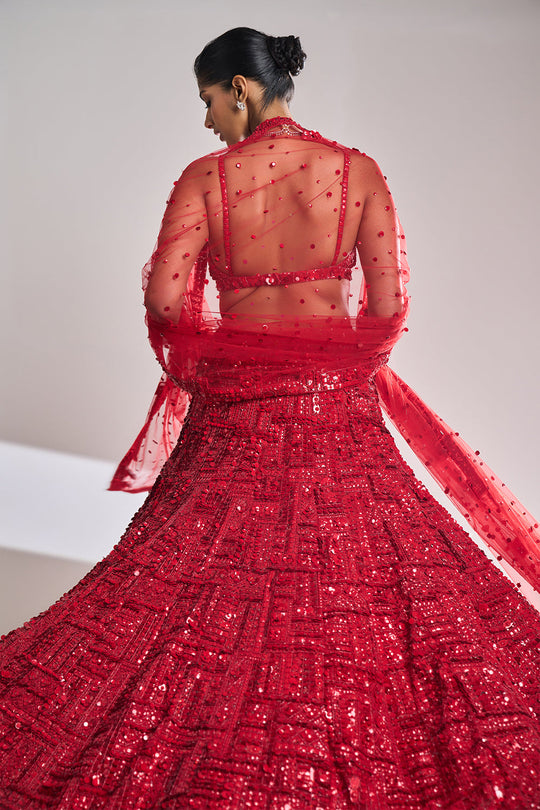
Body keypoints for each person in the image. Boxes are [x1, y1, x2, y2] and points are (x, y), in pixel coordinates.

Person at [1, 25, 539, 810]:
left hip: (232, 422)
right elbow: (389, 310)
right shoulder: (358, 172)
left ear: (242, 89)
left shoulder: (206, 179)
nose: (207, 120)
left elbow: (165, 302)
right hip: (338, 415)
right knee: (371, 586)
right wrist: (328, 365)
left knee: (190, 593)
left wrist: (226, 361)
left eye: (208, 101)